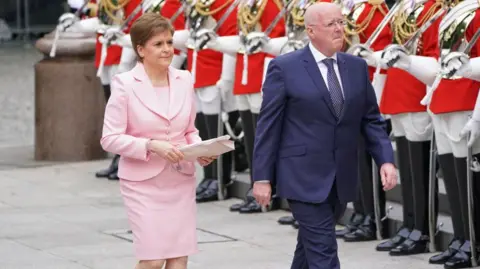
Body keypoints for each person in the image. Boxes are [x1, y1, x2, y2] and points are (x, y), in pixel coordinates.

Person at [251, 2, 397, 268]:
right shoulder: (284, 68)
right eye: (332, 24)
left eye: (341, 22)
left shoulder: (355, 66)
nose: (340, 29)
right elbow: (268, 126)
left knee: (309, 250)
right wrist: (262, 177)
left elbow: (371, 120)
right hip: (301, 177)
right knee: (324, 252)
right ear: (311, 30)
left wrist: (385, 159)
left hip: (341, 177)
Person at [100, 13, 216, 269]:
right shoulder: (124, 84)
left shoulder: (184, 79)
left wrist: (199, 150)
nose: (167, 49)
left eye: (169, 42)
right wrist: (150, 145)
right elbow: (109, 139)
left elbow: (189, 130)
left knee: (178, 260)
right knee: (152, 261)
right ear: (140, 50)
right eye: (158, 44)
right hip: (142, 184)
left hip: (179, 180)